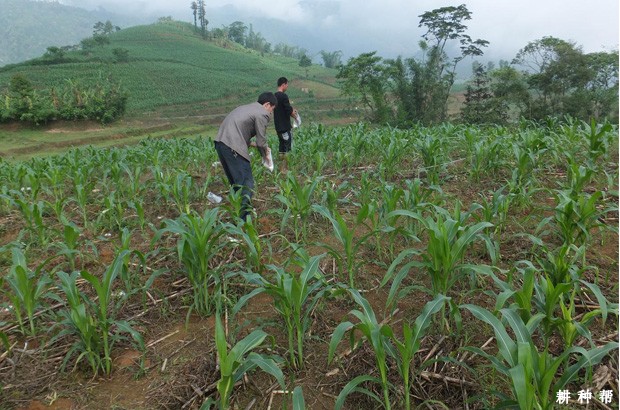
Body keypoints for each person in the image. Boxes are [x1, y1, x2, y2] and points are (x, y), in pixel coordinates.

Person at [214, 92, 276, 221]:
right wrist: (266, 157)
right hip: (233, 146)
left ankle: (240, 213)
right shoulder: (262, 113)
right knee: (246, 184)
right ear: (267, 104)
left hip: (221, 144)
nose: (271, 114)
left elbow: (241, 133)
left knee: (237, 184)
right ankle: (243, 221)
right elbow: (261, 142)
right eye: (272, 109)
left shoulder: (245, 108)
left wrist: (255, 145)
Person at [274, 77, 298, 163]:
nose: (287, 87)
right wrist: (295, 117)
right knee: (287, 146)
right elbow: (288, 110)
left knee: (281, 146)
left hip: (278, 127)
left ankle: (281, 165)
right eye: (287, 85)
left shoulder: (274, 96)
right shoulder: (284, 96)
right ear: (283, 84)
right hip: (285, 127)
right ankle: (286, 166)